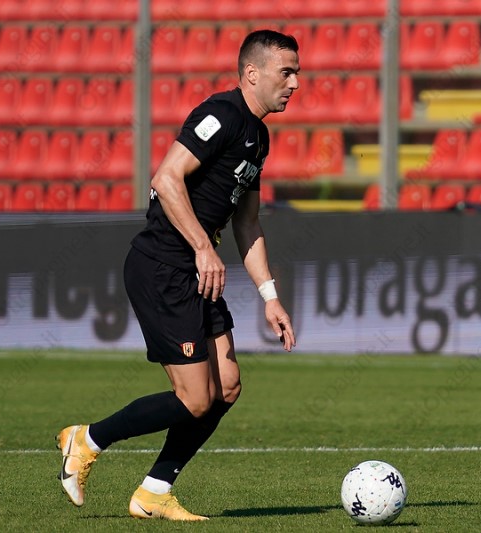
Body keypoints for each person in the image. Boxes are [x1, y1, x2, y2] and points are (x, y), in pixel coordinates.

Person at [55, 29, 299, 521]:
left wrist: (269, 295)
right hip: (164, 266)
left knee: (226, 386)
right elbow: (165, 178)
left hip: (196, 272)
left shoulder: (259, 137)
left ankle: (154, 492)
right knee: (195, 399)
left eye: (297, 72)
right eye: (286, 72)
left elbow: (248, 222)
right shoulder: (221, 114)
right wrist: (202, 248)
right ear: (252, 73)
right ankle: (87, 439)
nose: (295, 83)